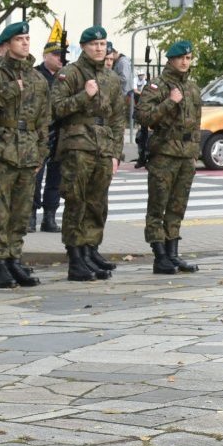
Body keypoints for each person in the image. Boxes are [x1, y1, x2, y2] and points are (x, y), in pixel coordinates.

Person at [0, 22, 50, 289]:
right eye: (19, 39)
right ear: (6, 45)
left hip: (27, 152)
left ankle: (14, 257)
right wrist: (9, 91)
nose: (25, 43)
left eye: (27, 38)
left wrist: (41, 152)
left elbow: (43, 120)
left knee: (21, 212)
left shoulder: (37, 79)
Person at [52, 28, 125, 282]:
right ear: (83, 46)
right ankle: (75, 256)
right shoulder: (69, 73)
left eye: (103, 44)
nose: (99, 48)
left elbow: (117, 118)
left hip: (103, 147)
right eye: (94, 44)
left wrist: (116, 151)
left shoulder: (111, 78)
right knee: (76, 201)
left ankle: (90, 249)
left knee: (97, 203)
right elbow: (57, 108)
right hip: (78, 145)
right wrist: (85, 95)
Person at [135, 39, 202, 275]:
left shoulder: (192, 88)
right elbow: (143, 116)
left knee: (177, 206)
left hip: (185, 156)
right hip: (164, 153)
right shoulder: (158, 86)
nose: (185, 62)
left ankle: (173, 254)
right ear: (171, 60)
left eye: (188, 58)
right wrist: (169, 102)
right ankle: (159, 255)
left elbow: (196, 123)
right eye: (181, 58)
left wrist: (195, 153)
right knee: (158, 205)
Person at [33, 42, 66, 232]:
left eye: (62, 54)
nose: (60, 58)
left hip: (60, 132)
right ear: (45, 56)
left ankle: (49, 216)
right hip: (41, 131)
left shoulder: (66, 76)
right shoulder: (36, 74)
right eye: (55, 54)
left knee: (56, 177)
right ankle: (31, 214)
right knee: (35, 176)